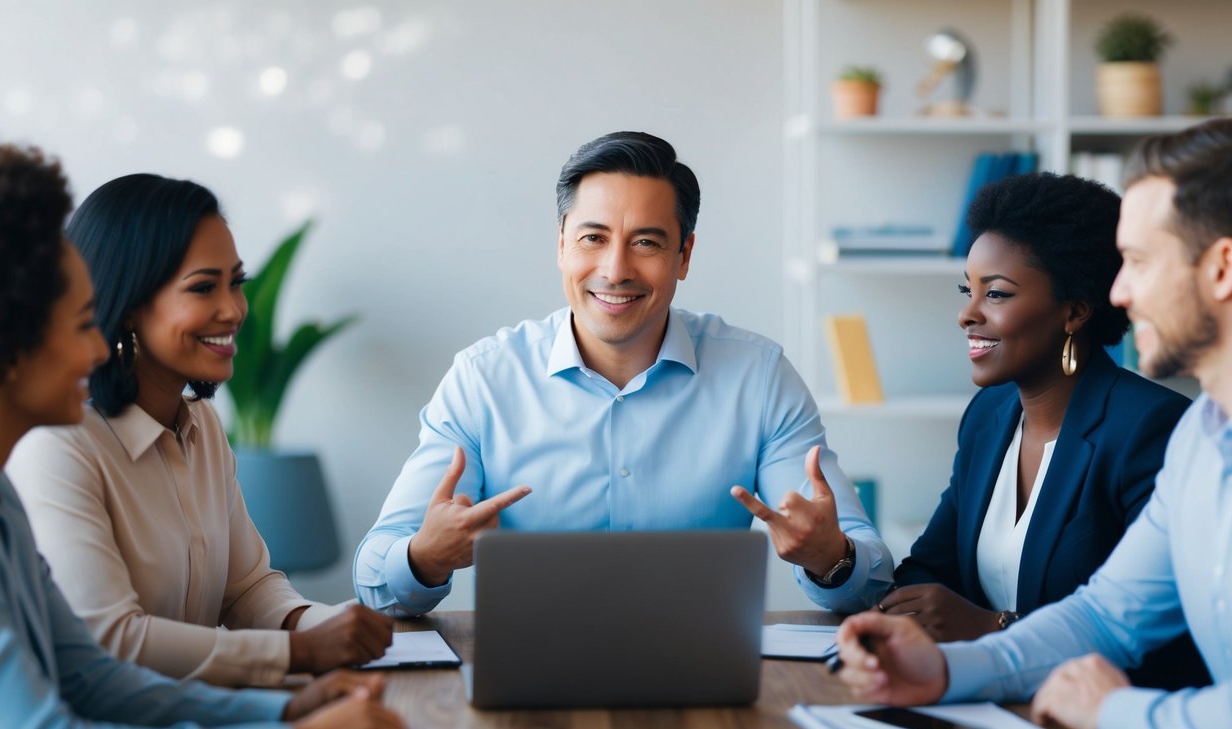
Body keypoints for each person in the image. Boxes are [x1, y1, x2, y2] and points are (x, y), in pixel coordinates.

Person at [0, 130, 404, 729]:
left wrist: (285, 711)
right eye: (78, 326)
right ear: (6, 341)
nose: (96, 350)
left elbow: (91, 679)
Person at [835, 117, 1232, 729]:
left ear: (1223, 268)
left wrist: (1109, 709)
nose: (1117, 291)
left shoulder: (1156, 428)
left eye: (1139, 263)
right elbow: (1105, 616)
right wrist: (945, 672)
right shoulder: (1201, 444)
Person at [355, 131, 893, 616]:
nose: (615, 270)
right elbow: (375, 577)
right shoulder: (483, 380)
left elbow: (870, 575)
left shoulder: (760, 377)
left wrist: (832, 557)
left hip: (704, 675)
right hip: (527, 679)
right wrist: (424, 558)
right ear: (561, 244)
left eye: (646, 242)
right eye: (593, 238)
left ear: (684, 255)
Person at [6, 173, 394, 688]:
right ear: (128, 305)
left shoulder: (203, 427)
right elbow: (110, 639)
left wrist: (327, 624)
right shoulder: (58, 443)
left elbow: (247, 588)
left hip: (197, 719)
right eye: (204, 288)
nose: (233, 310)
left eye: (237, 282)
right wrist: (297, 651)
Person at [884, 172, 1207, 690]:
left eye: (998, 294)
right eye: (969, 290)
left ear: (1075, 311)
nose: (967, 314)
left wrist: (993, 629)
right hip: (977, 705)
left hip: (1098, 727)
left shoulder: (1150, 429)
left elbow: (1168, 641)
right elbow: (927, 570)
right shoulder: (988, 417)